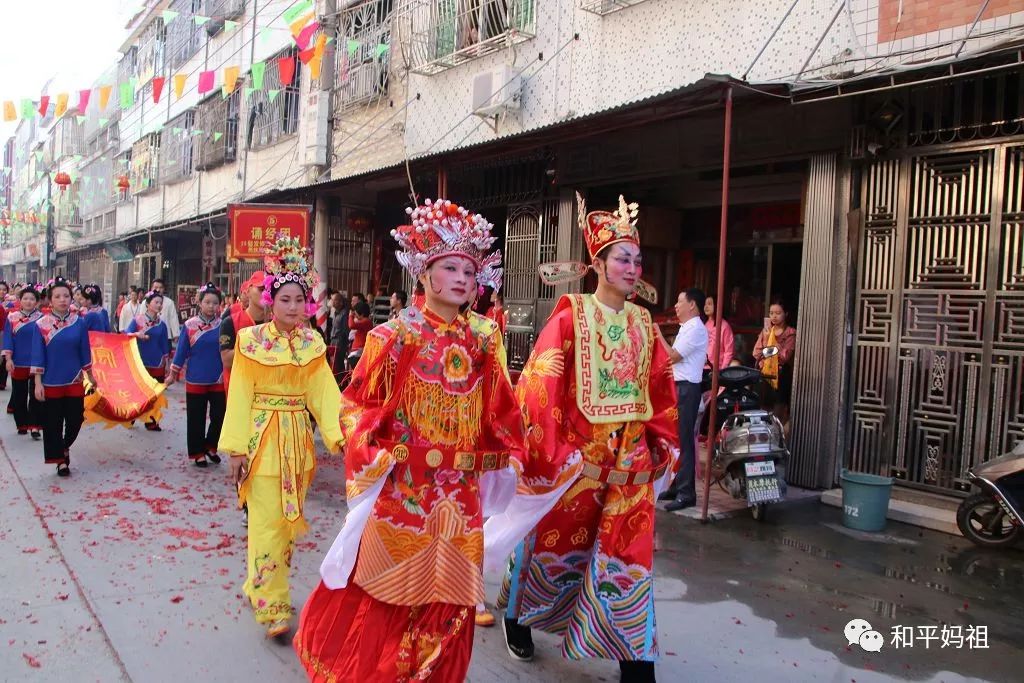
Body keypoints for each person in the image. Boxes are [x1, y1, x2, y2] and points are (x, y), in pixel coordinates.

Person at [295, 198, 527, 682]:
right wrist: (374, 453)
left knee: (452, 603)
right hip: (405, 490)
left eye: (469, 268)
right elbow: (355, 406)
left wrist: (514, 454)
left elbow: (502, 408)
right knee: (392, 595)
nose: (463, 278)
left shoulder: (484, 339)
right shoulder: (394, 336)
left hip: (460, 494)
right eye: (450, 267)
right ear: (424, 273)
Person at [494, 194, 679, 683]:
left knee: (627, 556)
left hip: (630, 462)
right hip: (576, 457)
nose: (632, 267)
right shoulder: (569, 317)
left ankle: (636, 658)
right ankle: (519, 617)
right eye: (622, 258)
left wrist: (664, 444)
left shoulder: (645, 323)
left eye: (638, 260)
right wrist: (551, 454)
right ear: (597, 263)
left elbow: (660, 386)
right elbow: (539, 385)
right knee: (550, 544)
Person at [218, 237, 344, 639]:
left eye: (299, 300)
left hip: (297, 445)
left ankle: (258, 584)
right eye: (285, 298)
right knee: (267, 524)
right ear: (271, 301)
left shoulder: (312, 343)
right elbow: (240, 393)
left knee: (286, 526)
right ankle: (273, 606)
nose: (292, 307)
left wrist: (343, 436)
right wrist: (236, 448)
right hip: (260, 440)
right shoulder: (250, 341)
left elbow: (324, 393)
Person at [30, 277, 96, 477]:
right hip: (50, 381)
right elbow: (38, 355)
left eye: (66, 296)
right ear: (50, 300)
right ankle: (60, 460)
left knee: (75, 420)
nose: (63, 300)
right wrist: (37, 383)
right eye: (57, 296)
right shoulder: (40, 325)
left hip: (75, 380)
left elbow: (85, 351)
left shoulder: (79, 322)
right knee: (53, 423)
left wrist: (90, 376)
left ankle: (64, 445)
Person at [658, 288, 708, 513]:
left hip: (687, 389)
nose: (676, 306)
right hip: (680, 387)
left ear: (692, 305)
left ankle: (687, 493)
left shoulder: (696, 328)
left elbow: (672, 356)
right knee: (676, 441)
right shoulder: (686, 328)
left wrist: (658, 335)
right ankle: (677, 486)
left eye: (680, 302)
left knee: (685, 442)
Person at [167, 283, 226, 468]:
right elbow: (181, 352)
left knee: (220, 415)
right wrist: (172, 374)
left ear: (220, 305)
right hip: (195, 378)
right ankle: (198, 452)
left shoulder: (223, 325)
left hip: (218, 378)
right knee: (196, 418)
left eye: (215, 303)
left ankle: (211, 446)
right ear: (199, 303)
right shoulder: (190, 326)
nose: (211, 306)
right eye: (207, 302)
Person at [125, 290, 171, 431]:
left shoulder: (162, 325)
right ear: (148, 304)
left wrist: (167, 363)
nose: (159, 305)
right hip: (140, 361)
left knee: (154, 394)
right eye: (156, 302)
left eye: (160, 303)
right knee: (136, 392)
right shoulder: (137, 321)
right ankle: (131, 417)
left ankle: (151, 421)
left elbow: (164, 345)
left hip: (157, 362)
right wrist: (136, 334)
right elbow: (126, 335)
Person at [2, 286, 43, 439]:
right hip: (17, 362)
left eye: (32, 299)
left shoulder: (42, 319)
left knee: (36, 395)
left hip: (36, 363)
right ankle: (22, 424)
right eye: (25, 298)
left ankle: (34, 426)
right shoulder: (12, 318)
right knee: (19, 395)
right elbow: (8, 339)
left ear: (37, 302)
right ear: (20, 300)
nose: (28, 301)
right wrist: (8, 359)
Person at [219, 271, 266, 390]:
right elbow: (227, 361)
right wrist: (256, 345)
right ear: (248, 291)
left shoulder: (277, 323)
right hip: (239, 390)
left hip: (267, 392)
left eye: (270, 290)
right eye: (261, 289)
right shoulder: (230, 322)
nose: (266, 293)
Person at [753, 298, 796, 420]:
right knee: (762, 412)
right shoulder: (766, 331)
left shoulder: (790, 333)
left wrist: (770, 347)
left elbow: (784, 357)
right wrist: (771, 345)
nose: (774, 316)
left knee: (777, 414)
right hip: (764, 375)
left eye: (778, 313)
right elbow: (757, 353)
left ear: (786, 314)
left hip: (780, 376)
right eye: (771, 313)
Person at [704, 294, 734, 370]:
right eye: (705, 304)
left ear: (717, 305)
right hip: (702, 368)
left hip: (716, 369)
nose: (706, 307)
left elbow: (728, 351)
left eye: (710, 304)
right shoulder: (704, 324)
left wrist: (723, 370)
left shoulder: (724, 326)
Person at [150, 278, 180, 344]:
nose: (158, 290)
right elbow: (141, 318)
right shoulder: (146, 303)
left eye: (161, 287)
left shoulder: (170, 302)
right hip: (149, 335)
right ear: (152, 288)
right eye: (156, 287)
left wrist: (176, 334)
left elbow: (173, 318)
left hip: (166, 336)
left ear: (164, 289)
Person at [345, 301, 371, 371]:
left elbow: (351, 325)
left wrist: (350, 315)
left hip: (359, 352)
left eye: (356, 314)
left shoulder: (366, 321)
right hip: (357, 351)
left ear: (362, 314)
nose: (355, 316)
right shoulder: (364, 321)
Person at [328, 291, 349, 376]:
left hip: (340, 341)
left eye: (334, 300)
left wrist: (346, 345)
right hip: (333, 340)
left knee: (339, 365)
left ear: (340, 302)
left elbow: (345, 330)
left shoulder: (344, 314)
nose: (332, 301)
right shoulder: (336, 313)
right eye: (332, 299)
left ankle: (341, 384)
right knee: (334, 364)